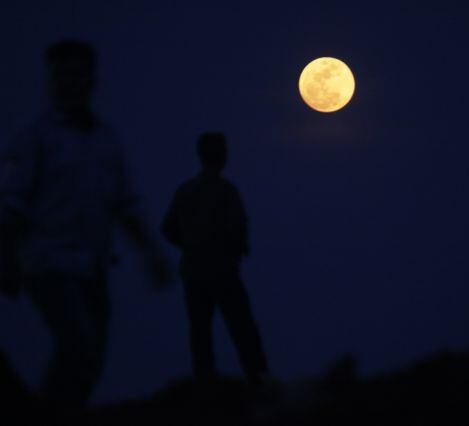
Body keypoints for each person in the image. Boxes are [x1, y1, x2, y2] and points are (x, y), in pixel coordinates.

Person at [0, 40, 170, 408]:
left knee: (91, 361)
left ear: (91, 80)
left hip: (91, 266)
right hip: (48, 264)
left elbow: (125, 204)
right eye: (60, 76)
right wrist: (5, 255)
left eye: (76, 75)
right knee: (79, 348)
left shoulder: (105, 141)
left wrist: (151, 254)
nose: (68, 83)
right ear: (50, 81)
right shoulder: (34, 138)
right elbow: (11, 202)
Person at [162, 132, 270, 388]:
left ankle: (205, 382)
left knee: (201, 330)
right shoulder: (225, 191)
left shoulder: (186, 191)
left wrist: (189, 246)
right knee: (241, 326)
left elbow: (168, 229)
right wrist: (233, 248)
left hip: (193, 272)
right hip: (222, 271)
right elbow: (237, 229)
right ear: (220, 156)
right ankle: (259, 379)